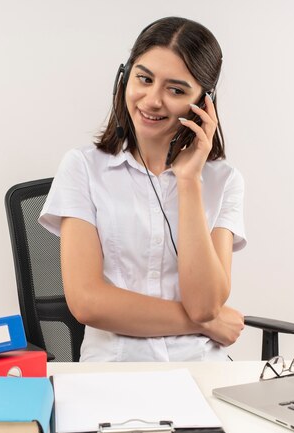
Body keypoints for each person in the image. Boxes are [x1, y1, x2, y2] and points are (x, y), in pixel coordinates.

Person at [39, 17, 246, 362]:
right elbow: (87, 302)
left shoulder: (224, 181)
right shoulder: (83, 168)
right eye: (144, 79)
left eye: (176, 90)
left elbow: (206, 304)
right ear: (125, 76)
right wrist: (205, 324)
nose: (152, 100)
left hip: (202, 368)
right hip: (117, 366)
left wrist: (189, 181)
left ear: (204, 103)